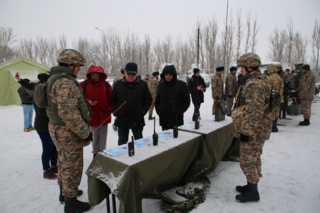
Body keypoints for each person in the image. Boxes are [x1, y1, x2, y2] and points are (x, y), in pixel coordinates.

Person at [46, 49, 93, 212]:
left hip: (58, 130)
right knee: (72, 166)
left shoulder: (55, 79)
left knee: (64, 162)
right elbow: (69, 114)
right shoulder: (64, 83)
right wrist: (85, 132)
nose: (79, 69)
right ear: (70, 65)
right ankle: (71, 203)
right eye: (77, 66)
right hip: (67, 132)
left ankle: (64, 194)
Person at [233, 53, 273, 203]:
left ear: (249, 67)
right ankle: (251, 185)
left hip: (254, 131)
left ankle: (253, 192)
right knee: (254, 158)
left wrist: (246, 131)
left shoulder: (255, 84)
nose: (240, 71)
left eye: (242, 68)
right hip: (258, 129)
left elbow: (255, 111)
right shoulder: (256, 81)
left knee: (247, 160)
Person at [16, 72, 59, 180]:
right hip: (43, 126)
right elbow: (43, 112)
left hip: (51, 124)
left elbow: (29, 85)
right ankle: (46, 170)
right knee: (48, 147)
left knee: (54, 146)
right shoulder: (39, 94)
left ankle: (54, 166)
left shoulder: (44, 89)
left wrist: (20, 80)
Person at [110, 62, 152, 145]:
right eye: (128, 73)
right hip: (122, 119)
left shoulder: (142, 84)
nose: (130, 75)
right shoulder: (118, 84)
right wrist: (115, 110)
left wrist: (143, 111)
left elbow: (148, 99)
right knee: (122, 143)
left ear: (136, 73)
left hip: (137, 119)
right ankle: (122, 157)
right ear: (125, 72)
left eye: (133, 73)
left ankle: (140, 157)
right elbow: (112, 99)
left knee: (139, 142)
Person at [79, 65, 112, 158]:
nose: (95, 77)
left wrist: (109, 109)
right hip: (91, 116)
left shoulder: (106, 84)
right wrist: (88, 101)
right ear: (89, 75)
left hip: (104, 115)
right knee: (94, 136)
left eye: (97, 75)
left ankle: (102, 153)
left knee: (103, 136)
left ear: (100, 75)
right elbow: (79, 98)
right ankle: (95, 153)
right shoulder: (83, 84)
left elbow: (111, 98)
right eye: (93, 75)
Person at [155, 65, 190, 131]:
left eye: (170, 74)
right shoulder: (161, 86)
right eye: (166, 74)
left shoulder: (181, 85)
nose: (168, 77)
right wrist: (159, 110)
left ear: (174, 75)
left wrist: (178, 112)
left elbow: (186, 102)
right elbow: (157, 101)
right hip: (164, 119)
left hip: (176, 119)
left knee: (177, 139)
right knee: (166, 138)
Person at [266, 64, 284, 132]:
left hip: (272, 99)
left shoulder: (270, 78)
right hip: (278, 98)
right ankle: (275, 126)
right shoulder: (279, 78)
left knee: (271, 112)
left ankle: (271, 127)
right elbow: (282, 89)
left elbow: (268, 89)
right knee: (276, 112)